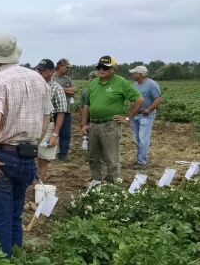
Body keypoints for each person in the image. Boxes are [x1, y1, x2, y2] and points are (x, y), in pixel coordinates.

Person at [0, 32, 51, 257]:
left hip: (3, 157)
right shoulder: (37, 78)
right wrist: (33, 144)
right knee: (15, 216)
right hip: (27, 156)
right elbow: (46, 117)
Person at [81, 56, 144, 184]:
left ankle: (112, 182)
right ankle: (95, 180)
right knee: (93, 156)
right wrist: (84, 124)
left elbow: (139, 100)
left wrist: (127, 117)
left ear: (113, 69)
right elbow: (86, 105)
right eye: (99, 67)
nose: (101, 70)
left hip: (110, 125)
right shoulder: (93, 83)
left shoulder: (121, 82)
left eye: (105, 67)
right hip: (93, 124)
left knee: (111, 156)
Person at [34, 59, 68, 182]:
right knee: (28, 155)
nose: (39, 72)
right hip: (33, 124)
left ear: (50, 72)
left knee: (43, 158)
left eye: (42, 70)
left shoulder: (56, 89)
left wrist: (55, 134)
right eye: (38, 70)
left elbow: (61, 112)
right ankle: (30, 182)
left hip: (48, 125)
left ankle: (39, 184)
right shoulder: (33, 86)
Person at [128, 65, 163, 169]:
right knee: (136, 139)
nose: (132, 75)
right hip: (135, 115)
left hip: (146, 116)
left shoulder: (152, 84)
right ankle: (139, 159)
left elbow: (158, 99)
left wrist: (149, 109)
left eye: (134, 73)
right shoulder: (135, 84)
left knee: (143, 139)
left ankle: (141, 162)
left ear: (141, 74)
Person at [51, 58, 77, 160]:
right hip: (54, 111)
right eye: (67, 67)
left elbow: (74, 90)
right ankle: (50, 153)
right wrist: (67, 90)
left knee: (66, 134)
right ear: (60, 66)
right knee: (52, 132)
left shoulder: (67, 79)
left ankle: (63, 154)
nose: (68, 70)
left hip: (66, 110)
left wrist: (61, 89)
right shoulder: (52, 78)